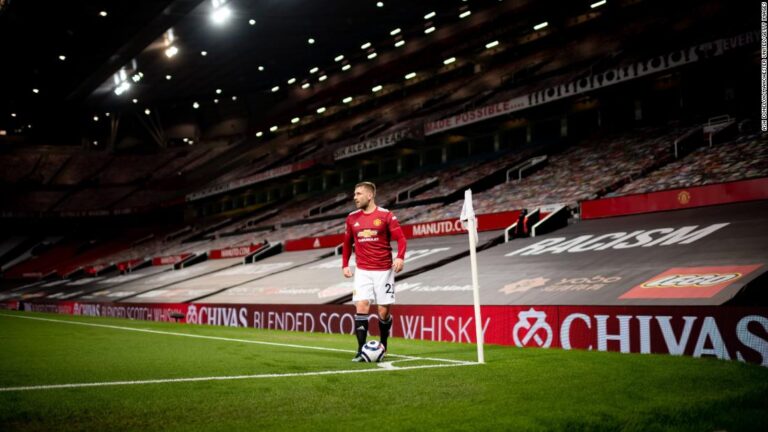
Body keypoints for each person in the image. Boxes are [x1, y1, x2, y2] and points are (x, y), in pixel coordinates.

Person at [342, 181, 407, 361]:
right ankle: (361, 350)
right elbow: (347, 243)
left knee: (383, 312)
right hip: (362, 270)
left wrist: (400, 257)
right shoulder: (352, 218)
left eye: (358, 194)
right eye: (354, 194)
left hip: (384, 270)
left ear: (370, 195)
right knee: (361, 305)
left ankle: (383, 344)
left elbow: (401, 239)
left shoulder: (386, 215)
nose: (355, 197)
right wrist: (345, 264)